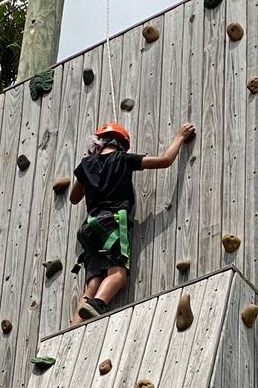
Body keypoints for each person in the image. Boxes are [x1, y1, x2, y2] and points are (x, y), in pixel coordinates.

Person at [68, 120, 196, 324]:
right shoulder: (123, 159)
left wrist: (89, 171)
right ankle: (98, 304)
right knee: (118, 274)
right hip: (112, 223)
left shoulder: (86, 164)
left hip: (89, 227)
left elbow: (74, 198)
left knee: (93, 281)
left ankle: (74, 327)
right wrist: (180, 136)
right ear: (121, 144)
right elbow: (165, 160)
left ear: (98, 142)